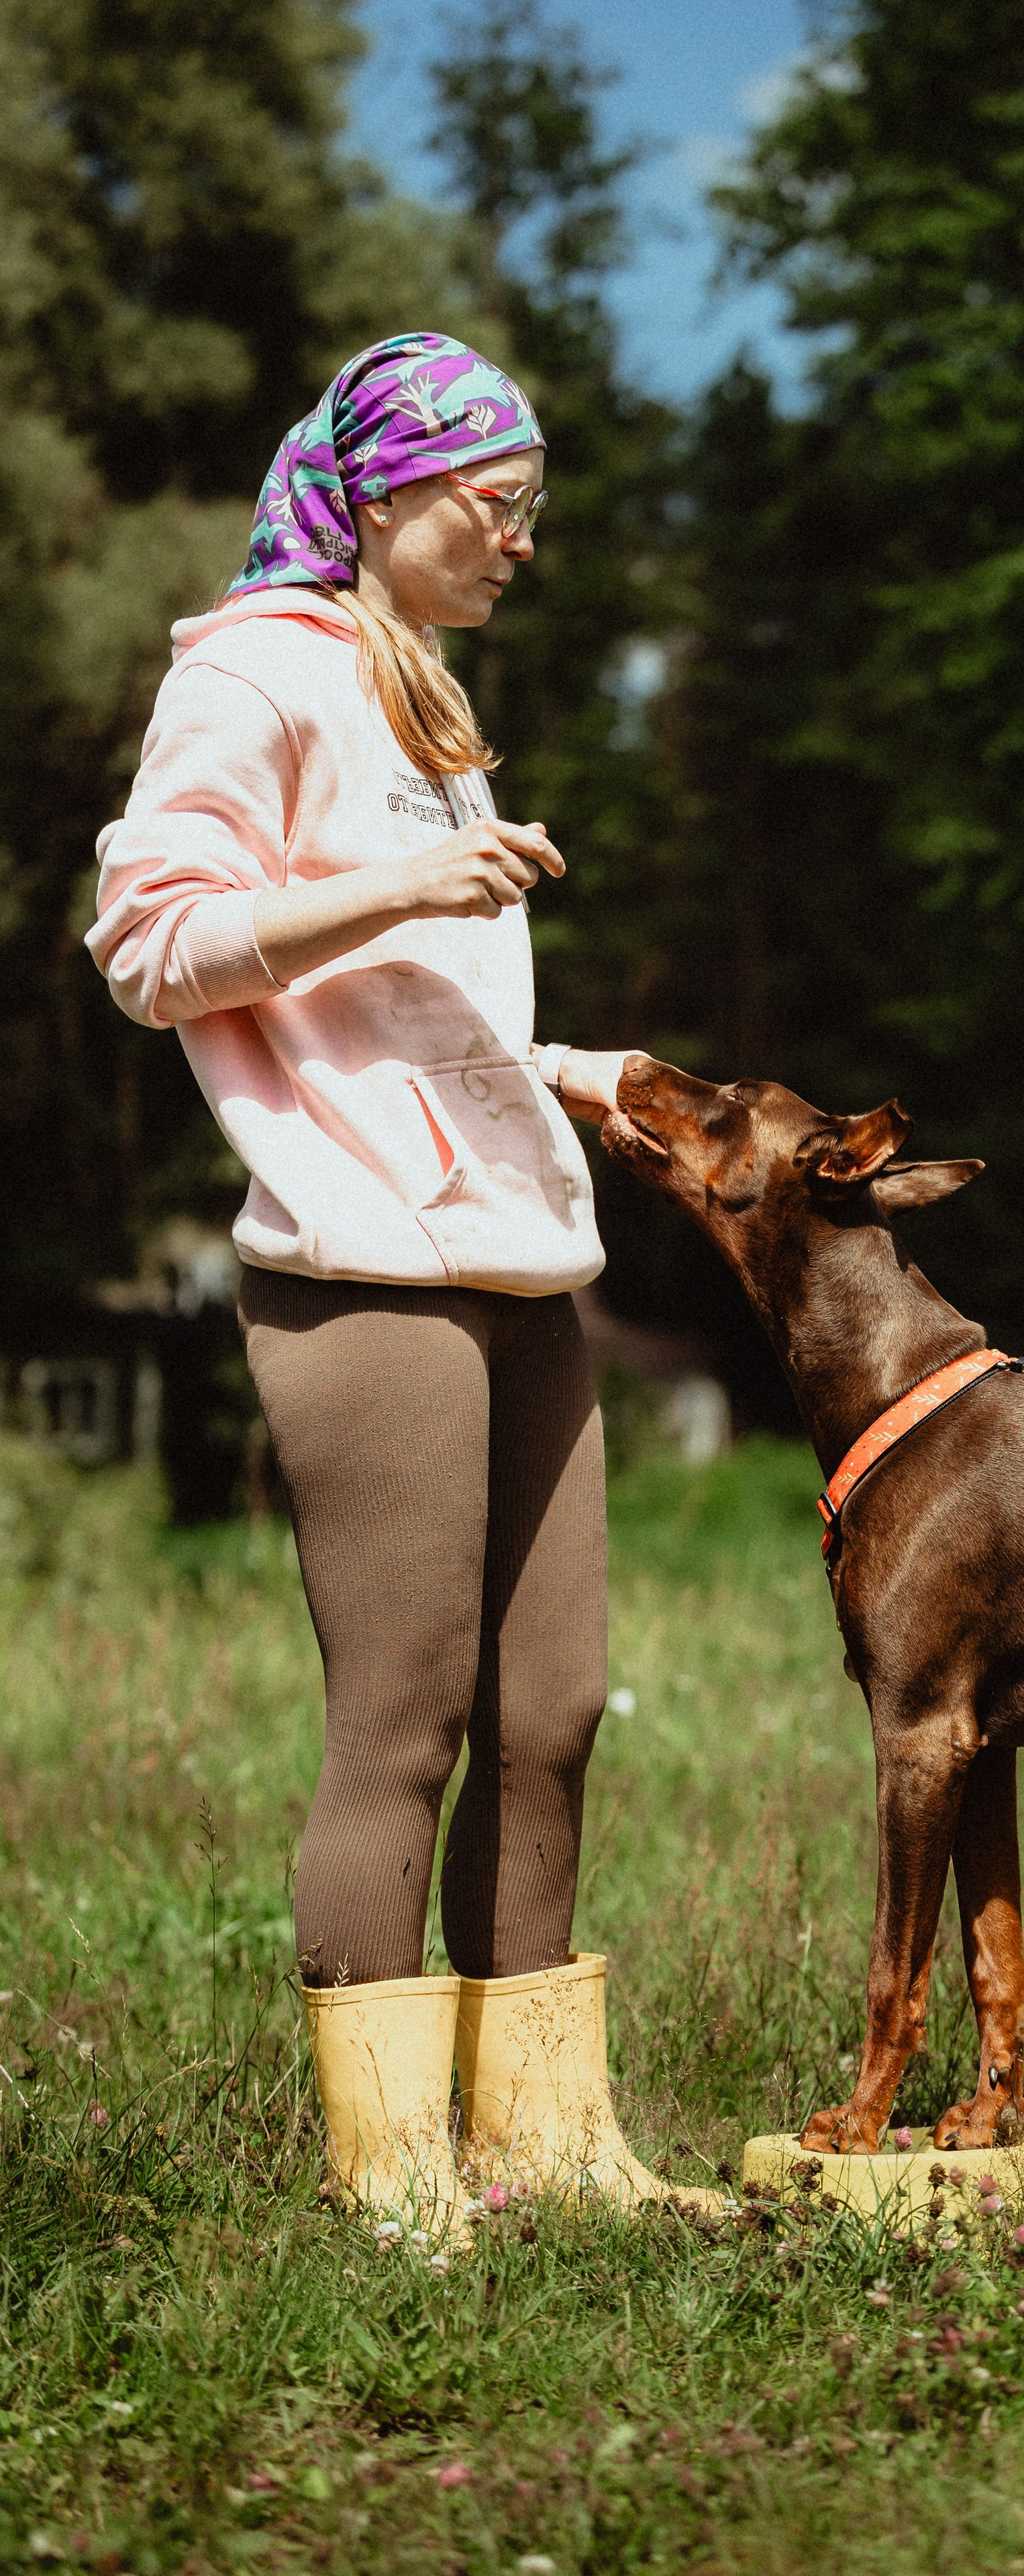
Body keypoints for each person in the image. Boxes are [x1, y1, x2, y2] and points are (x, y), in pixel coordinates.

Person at [87, 333, 697, 2233]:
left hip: (516, 1262)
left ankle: (550, 2147)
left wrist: (570, 1075)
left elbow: (398, 1017)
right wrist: (403, 891)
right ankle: (395, 2181)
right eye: (496, 505)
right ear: (386, 490)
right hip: (363, 1273)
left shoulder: (426, 696)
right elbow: (151, 944)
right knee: (407, 1727)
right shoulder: (254, 673)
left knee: (554, 1711)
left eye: (535, 511)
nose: (522, 542)